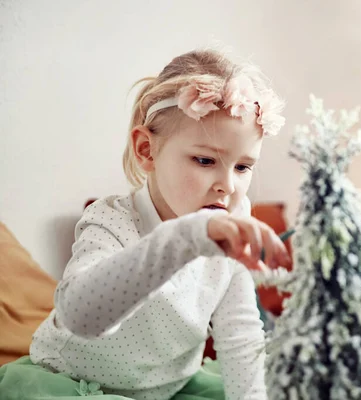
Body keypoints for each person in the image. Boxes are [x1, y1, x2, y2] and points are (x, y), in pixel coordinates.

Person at [0, 49, 290, 400]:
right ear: (146, 150)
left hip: (170, 390)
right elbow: (81, 317)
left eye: (243, 167)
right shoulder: (112, 219)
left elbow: (241, 338)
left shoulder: (232, 224)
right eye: (204, 160)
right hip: (76, 386)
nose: (228, 186)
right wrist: (187, 237)